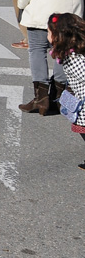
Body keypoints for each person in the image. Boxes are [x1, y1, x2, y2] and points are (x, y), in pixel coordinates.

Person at [45, 12, 85, 170]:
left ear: (58, 35)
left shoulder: (74, 58)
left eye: (48, 32)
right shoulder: (71, 53)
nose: (47, 35)